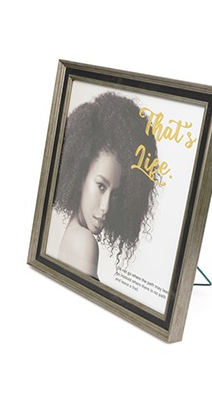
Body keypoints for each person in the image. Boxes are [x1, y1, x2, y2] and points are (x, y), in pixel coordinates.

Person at [51, 91, 159, 279]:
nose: (106, 206)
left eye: (115, 194)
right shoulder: (84, 243)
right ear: (80, 176)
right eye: (101, 186)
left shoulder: (73, 235)